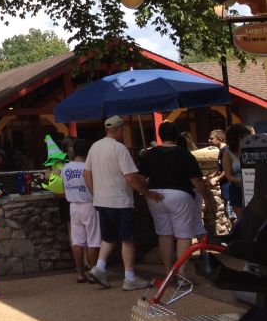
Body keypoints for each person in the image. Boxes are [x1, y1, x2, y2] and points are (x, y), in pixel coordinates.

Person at [83, 116, 159, 290]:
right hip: (120, 201)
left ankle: (100, 267)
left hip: (102, 200)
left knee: (109, 237)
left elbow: (86, 173)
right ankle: (129, 277)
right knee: (127, 239)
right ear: (119, 129)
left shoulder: (95, 147)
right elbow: (130, 177)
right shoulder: (120, 148)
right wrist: (146, 192)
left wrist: (96, 192)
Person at [138, 122, 215, 275]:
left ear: (160, 135)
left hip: (155, 195)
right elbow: (196, 181)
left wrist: (145, 193)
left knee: (164, 234)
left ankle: (168, 272)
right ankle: (181, 274)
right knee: (183, 236)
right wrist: (206, 197)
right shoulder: (184, 154)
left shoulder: (150, 154)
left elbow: (140, 177)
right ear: (177, 135)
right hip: (180, 195)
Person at [63, 139, 101, 284]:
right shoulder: (89, 167)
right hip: (89, 204)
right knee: (93, 240)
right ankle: (94, 272)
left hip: (73, 205)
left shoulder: (66, 168)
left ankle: (80, 273)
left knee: (78, 241)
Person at [223, 123, 255, 220]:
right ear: (235, 138)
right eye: (242, 137)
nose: (246, 139)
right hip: (237, 190)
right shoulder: (228, 154)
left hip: (255, 189)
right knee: (243, 221)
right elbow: (229, 176)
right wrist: (247, 180)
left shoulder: (253, 149)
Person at [207, 129, 235, 226]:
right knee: (229, 214)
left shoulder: (226, 151)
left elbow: (228, 169)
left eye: (211, 138)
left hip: (230, 188)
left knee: (232, 216)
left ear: (220, 139)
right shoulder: (221, 151)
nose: (209, 140)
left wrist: (217, 179)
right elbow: (222, 167)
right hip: (226, 188)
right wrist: (215, 174)